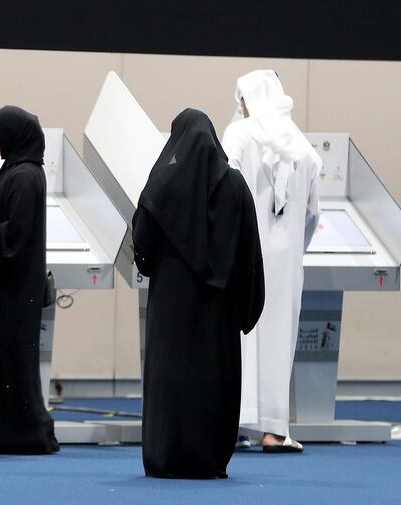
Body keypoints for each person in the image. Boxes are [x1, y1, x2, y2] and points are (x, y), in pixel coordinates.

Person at [133, 108, 265, 478]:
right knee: (213, 380)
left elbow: (141, 243)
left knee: (170, 379)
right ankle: (209, 456)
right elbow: (249, 254)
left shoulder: (161, 183)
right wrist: (245, 307)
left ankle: (165, 455)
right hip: (217, 315)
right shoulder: (236, 186)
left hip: (170, 312)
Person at [222, 70, 322, 453]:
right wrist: (293, 247)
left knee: (240, 337)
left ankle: (232, 423)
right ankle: (274, 431)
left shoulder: (238, 135)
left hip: (243, 254)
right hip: (285, 263)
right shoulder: (304, 149)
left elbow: (223, 189)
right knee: (280, 336)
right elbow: (313, 213)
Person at [0, 105, 59, 455]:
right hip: (7, 286)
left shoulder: (23, 176)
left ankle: (18, 434)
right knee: (0, 359)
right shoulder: (17, 171)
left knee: (10, 361)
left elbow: (17, 235)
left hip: (14, 289)